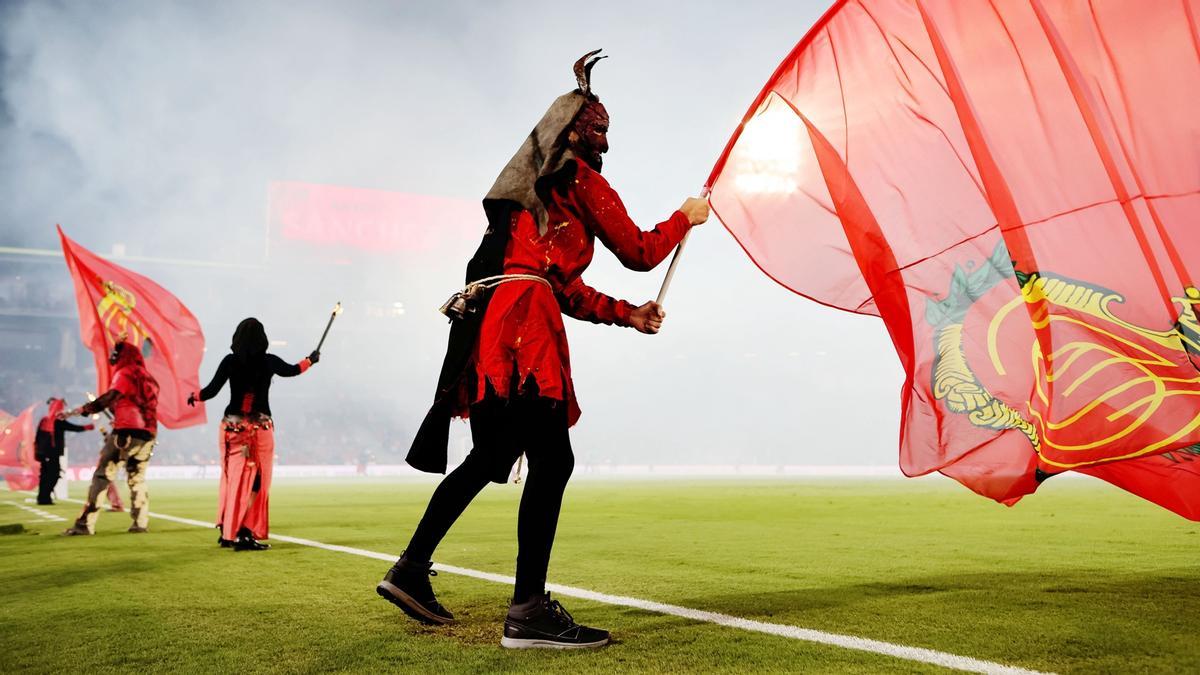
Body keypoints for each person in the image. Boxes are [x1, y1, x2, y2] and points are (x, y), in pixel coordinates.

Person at [377, 50, 709, 649]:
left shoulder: (527, 198)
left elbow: (561, 283)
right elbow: (637, 249)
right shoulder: (577, 179)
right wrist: (685, 218)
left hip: (495, 323)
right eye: (598, 127)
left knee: (491, 456)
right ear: (574, 132)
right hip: (525, 329)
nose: (606, 138)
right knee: (553, 461)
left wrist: (628, 314)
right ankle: (528, 609)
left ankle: (408, 569)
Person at [189, 318, 319, 551]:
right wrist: (311, 360)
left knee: (232, 478)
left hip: (231, 428)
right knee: (256, 483)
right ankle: (244, 532)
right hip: (259, 429)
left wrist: (194, 396)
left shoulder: (230, 361)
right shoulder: (268, 361)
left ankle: (227, 530)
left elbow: (211, 390)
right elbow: (292, 370)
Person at [61, 338, 159, 535]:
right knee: (137, 479)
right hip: (148, 434)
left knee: (102, 475)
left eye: (115, 353)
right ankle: (140, 522)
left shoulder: (125, 373)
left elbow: (111, 396)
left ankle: (84, 525)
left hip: (125, 432)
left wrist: (82, 410)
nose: (112, 357)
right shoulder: (148, 377)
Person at [33, 397, 93, 505]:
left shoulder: (44, 420)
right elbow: (73, 427)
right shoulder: (58, 421)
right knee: (54, 475)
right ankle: (44, 497)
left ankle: (42, 497)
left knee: (45, 475)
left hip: (43, 453)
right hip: (53, 453)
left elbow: (37, 437)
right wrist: (87, 427)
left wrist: (37, 452)